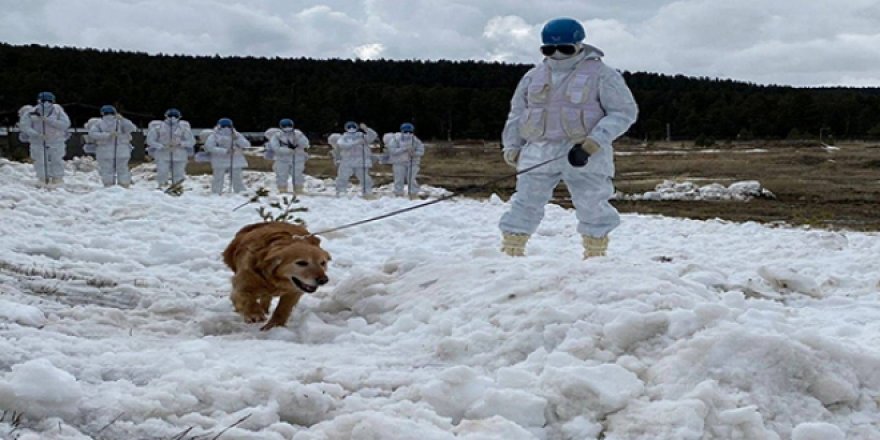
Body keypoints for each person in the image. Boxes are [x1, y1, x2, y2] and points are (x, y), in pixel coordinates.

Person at [498, 17, 638, 258]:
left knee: (593, 204)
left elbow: (623, 112)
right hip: (538, 150)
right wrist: (512, 146)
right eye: (549, 49)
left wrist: (594, 142)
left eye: (565, 48)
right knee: (525, 202)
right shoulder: (532, 76)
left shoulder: (603, 75)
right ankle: (511, 251)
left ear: (579, 45)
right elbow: (517, 113)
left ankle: (595, 255)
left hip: (584, 152)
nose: (557, 54)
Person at [17, 92, 71, 187]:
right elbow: (25, 126)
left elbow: (65, 124)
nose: (46, 103)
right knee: (40, 160)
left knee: (57, 159)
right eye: (43, 101)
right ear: (39, 101)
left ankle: (57, 178)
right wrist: (36, 134)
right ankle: (42, 178)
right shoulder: (31, 112)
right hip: (38, 141)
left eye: (49, 101)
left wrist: (49, 120)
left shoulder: (58, 111)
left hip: (56, 140)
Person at [88, 105, 138, 187]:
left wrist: (105, 135)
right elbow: (132, 128)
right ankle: (124, 185)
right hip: (121, 150)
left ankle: (109, 186)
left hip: (106, 151)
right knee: (122, 169)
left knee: (107, 170)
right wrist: (109, 134)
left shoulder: (99, 123)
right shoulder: (119, 122)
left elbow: (92, 134)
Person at [146, 108, 195, 189]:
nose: (173, 118)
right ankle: (162, 186)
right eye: (170, 116)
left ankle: (177, 187)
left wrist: (181, 143)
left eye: (175, 116)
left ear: (179, 117)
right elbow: (150, 140)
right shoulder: (158, 127)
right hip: (163, 154)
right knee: (162, 172)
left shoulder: (184, 128)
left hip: (179, 154)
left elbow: (191, 141)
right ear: (166, 116)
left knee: (179, 173)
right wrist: (160, 146)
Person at [203, 118, 250, 194]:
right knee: (218, 177)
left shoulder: (236, 134)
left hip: (235, 159)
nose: (226, 128)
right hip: (219, 159)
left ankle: (240, 192)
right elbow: (209, 147)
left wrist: (237, 139)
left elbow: (246, 145)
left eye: (228, 126)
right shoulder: (214, 135)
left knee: (237, 177)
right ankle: (216, 192)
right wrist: (224, 151)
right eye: (224, 126)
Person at [332, 121, 377, 197]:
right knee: (343, 176)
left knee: (364, 177)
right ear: (346, 128)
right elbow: (343, 145)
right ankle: (341, 191)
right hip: (347, 160)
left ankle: (367, 192)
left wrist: (366, 129)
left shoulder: (362, 136)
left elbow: (373, 136)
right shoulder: (343, 137)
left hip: (360, 160)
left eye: (353, 127)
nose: (351, 129)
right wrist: (356, 142)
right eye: (349, 127)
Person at [266, 118, 310, 194]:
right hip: (283, 159)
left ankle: (298, 189)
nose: (287, 127)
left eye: (288, 125)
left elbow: (305, 144)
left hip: (297, 158)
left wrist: (297, 144)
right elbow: (276, 148)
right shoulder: (278, 135)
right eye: (285, 126)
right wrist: (287, 150)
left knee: (297, 175)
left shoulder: (298, 134)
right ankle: (282, 190)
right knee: (282, 174)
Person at [386, 122, 425, 198]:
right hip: (398, 163)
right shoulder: (395, 140)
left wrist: (414, 153)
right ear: (402, 131)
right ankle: (398, 194)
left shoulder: (416, 140)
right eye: (405, 132)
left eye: (410, 132)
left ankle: (413, 194)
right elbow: (392, 150)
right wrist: (403, 149)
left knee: (411, 179)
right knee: (399, 179)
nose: (408, 133)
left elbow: (421, 151)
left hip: (412, 163)